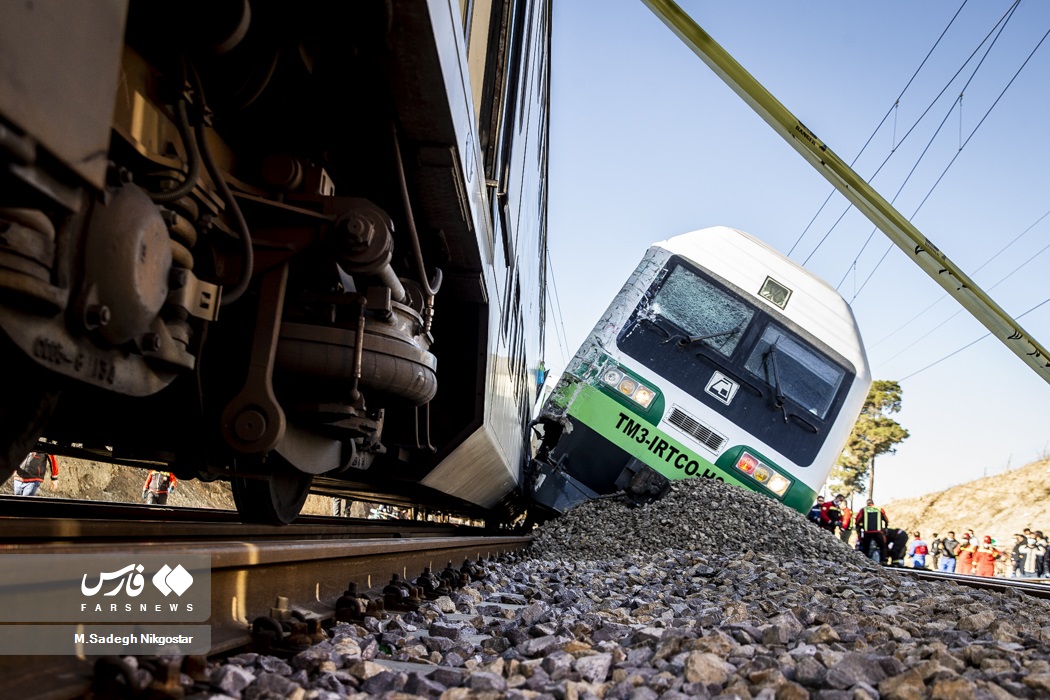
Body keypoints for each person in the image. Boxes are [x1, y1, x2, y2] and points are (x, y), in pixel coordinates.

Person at [855, 499, 889, 563]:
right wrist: (886, 527)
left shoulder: (864, 509)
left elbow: (858, 519)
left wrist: (859, 526)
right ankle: (883, 560)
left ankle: (866, 560)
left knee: (866, 547)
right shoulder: (879, 509)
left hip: (867, 532)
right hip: (878, 531)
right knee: (882, 546)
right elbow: (886, 519)